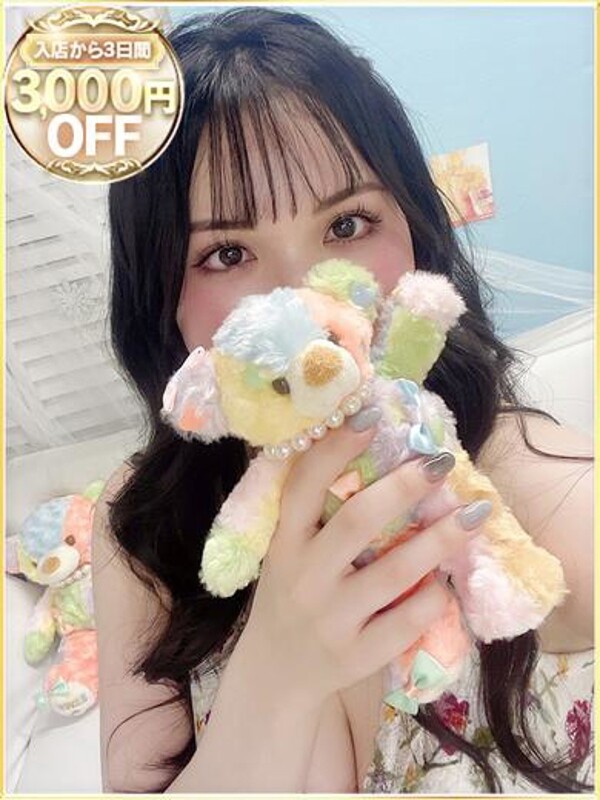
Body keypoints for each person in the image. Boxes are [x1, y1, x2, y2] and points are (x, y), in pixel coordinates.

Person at [92, 6, 594, 794]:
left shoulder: (507, 475)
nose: (304, 297)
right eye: (227, 252)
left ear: (416, 233)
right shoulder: (142, 520)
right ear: (161, 301)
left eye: (349, 223)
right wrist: (277, 673)